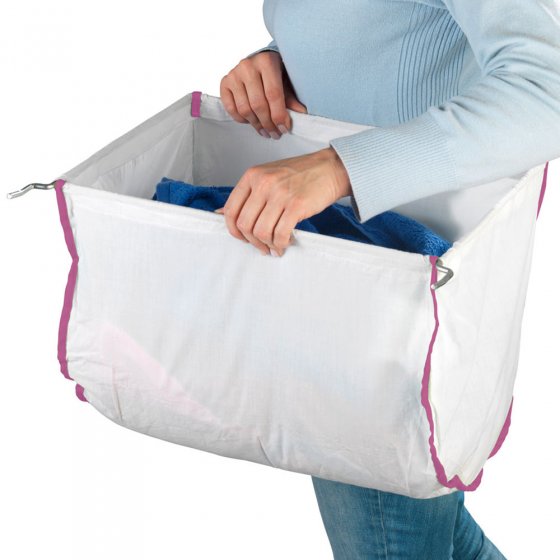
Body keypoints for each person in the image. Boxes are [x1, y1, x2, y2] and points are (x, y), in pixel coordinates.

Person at [217, 0, 560, 557]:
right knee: (434, 535)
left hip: (401, 294)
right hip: (345, 265)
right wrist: (277, 64)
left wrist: (342, 167)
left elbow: (550, 91)